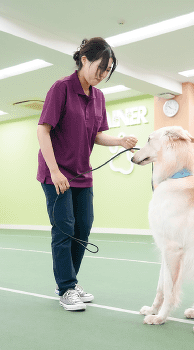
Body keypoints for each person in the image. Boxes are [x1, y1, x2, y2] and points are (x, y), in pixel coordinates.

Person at [37, 37, 138, 311]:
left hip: (82, 173)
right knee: (64, 228)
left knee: (83, 228)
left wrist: (120, 141)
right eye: (100, 68)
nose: (102, 75)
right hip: (56, 174)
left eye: (107, 72)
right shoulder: (61, 88)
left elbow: (97, 135)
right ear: (84, 60)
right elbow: (42, 130)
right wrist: (55, 171)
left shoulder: (99, 97)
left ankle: (69, 282)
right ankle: (66, 287)